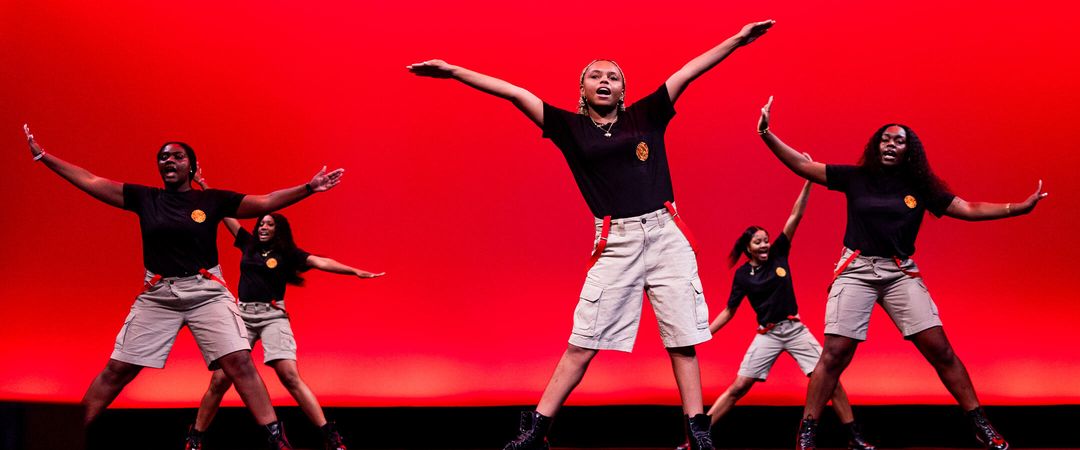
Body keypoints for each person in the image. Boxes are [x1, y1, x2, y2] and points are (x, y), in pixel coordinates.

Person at [408, 19, 775, 450]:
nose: (605, 81)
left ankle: (698, 433)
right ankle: (537, 429)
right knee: (584, 340)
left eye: (613, 77)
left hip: (664, 235)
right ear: (582, 90)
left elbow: (689, 71)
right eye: (596, 76)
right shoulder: (569, 128)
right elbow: (513, 92)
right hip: (615, 241)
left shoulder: (647, 113)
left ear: (623, 90)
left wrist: (736, 39)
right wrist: (452, 70)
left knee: (683, 340)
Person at [24, 124, 344, 449]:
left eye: (177, 156)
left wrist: (308, 187)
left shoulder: (211, 201)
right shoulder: (145, 198)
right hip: (158, 294)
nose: (169, 161)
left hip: (206, 292)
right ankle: (63, 439)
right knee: (117, 370)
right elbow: (91, 180)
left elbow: (264, 202)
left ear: (191, 166)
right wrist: (46, 158)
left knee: (239, 363)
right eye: (163, 157)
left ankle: (277, 440)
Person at [754, 97, 1048, 450]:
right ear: (876, 145)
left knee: (940, 350)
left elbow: (967, 208)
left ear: (909, 151)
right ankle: (807, 431)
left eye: (899, 140)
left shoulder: (920, 187)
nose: (890, 144)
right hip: (857, 270)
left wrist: (1018, 208)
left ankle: (980, 424)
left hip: (899, 272)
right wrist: (767, 134)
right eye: (885, 139)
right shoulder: (855, 177)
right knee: (834, 353)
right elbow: (804, 166)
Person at [183, 170, 384, 450]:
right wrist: (204, 185)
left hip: (273, 316)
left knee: (289, 376)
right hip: (242, 316)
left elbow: (321, 262)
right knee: (219, 380)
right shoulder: (248, 245)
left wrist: (355, 272)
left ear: (278, 229)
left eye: (268, 224)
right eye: (261, 224)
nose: (262, 227)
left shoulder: (288, 253)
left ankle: (329, 435)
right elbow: (224, 212)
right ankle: (195, 437)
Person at [684, 174, 872, 450]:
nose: (764, 245)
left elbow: (795, 216)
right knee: (738, 387)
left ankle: (853, 437)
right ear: (748, 247)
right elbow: (728, 311)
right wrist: (703, 333)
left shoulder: (779, 255)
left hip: (795, 329)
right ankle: (697, 438)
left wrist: (808, 181)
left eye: (766, 240)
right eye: (758, 242)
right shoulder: (743, 276)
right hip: (767, 334)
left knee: (830, 381)